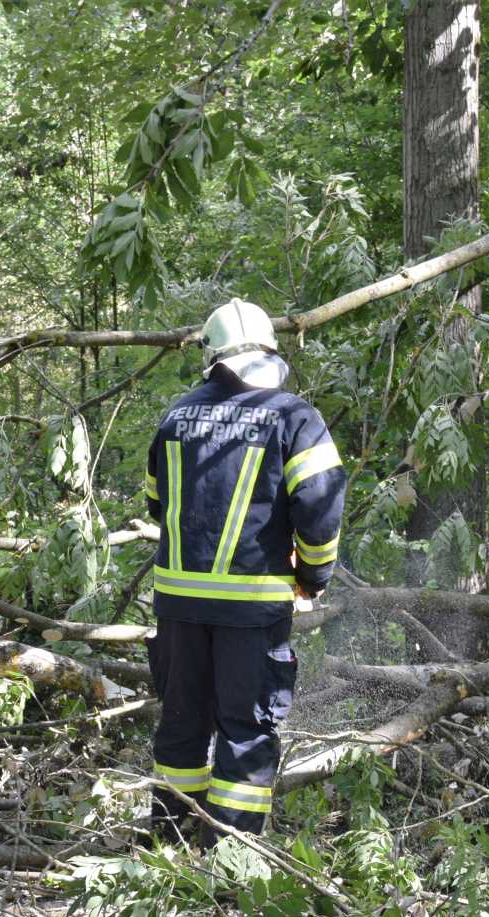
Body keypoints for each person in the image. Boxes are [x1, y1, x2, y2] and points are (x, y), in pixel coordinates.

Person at [144, 298, 346, 840]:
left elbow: (157, 503)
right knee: (246, 731)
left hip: (178, 607)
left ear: (211, 357)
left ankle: (170, 843)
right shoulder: (293, 417)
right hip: (251, 609)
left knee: (183, 723)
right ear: (270, 354)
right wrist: (315, 576)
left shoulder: (174, 417)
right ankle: (230, 852)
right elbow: (320, 508)